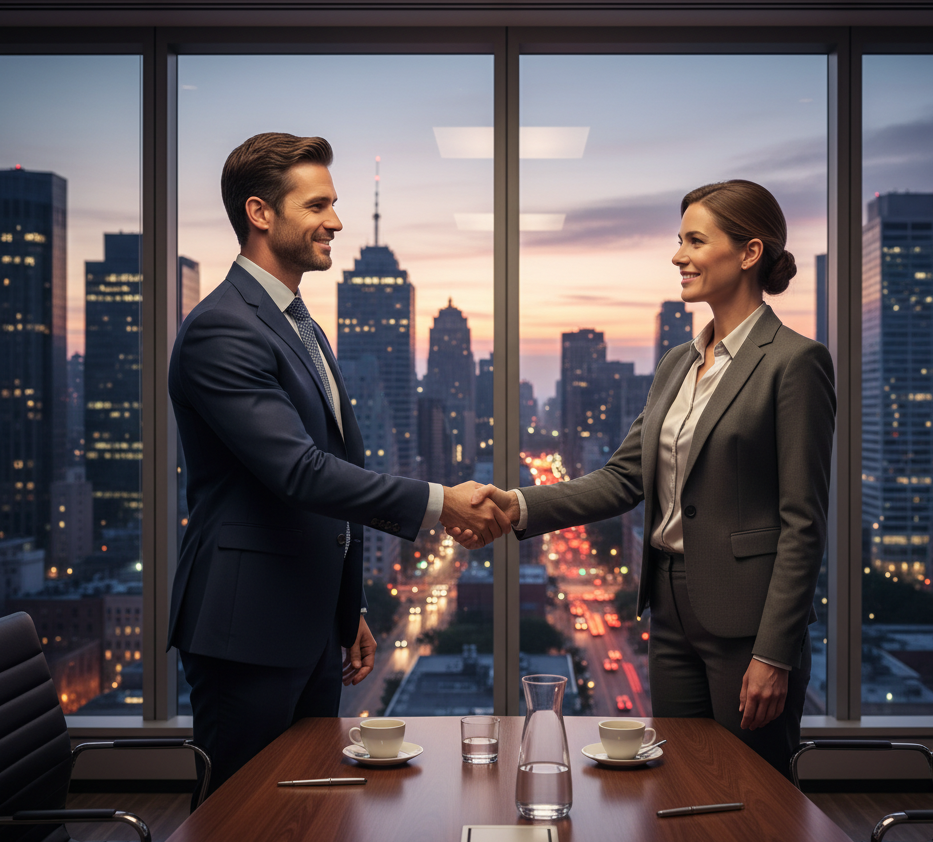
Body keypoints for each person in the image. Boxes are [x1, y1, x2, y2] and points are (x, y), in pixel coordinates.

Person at [168, 132, 511, 801]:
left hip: (306, 625)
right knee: (240, 829)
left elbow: (329, 475)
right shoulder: (224, 328)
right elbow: (300, 473)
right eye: (318, 204)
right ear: (261, 213)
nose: (336, 221)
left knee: (305, 812)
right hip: (246, 631)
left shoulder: (300, 324)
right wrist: (441, 503)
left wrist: (344, 604)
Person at [459, 180, 835, 775]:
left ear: (749, 252)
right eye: (677, 240)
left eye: (693, 240)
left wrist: (774, 652)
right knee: (677, 780)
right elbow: (622, 478)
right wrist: (517, 505)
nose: (677, 255)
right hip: (670, 609)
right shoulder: (678, 364)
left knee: (750, 793)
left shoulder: (795, 363)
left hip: (746, 622)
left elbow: (803, 523)